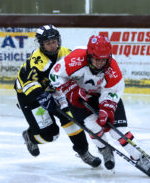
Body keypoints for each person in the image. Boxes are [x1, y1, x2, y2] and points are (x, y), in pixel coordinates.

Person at [49, 35, 150, 175]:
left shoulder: (113, 69)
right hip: (79, 98)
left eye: (104, 59)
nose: (100, 63)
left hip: (103, 95)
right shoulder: (74, 59)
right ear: (89, 55)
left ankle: (140, 157)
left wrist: (107, 109)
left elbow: (114, 90)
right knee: (93, 126)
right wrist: (70, 89)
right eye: (97, 59)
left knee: (118, 130)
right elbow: (54, 75)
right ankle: (105, 149)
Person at [14, 25, 101, 168]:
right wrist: (41, 96)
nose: (53, 45)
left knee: (69, 117)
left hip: (53, 91)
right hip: (29, 96)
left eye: (54, 41)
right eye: (48, 43)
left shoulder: (66, 53)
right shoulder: (36, 62)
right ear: (41, 44)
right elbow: (27, 83)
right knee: (50, 135)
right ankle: (30, 136)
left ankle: (83, 152)